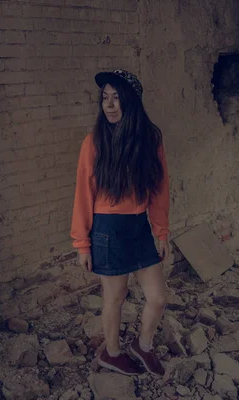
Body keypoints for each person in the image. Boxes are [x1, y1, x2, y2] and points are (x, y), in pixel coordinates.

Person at [70, 69, 170, 377]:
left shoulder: (150, 139)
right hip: (107, 230)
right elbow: (83, 193)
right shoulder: (94, 142)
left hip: (139, 228)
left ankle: (144, 345)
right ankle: (111, 353)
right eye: (105, 98)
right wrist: (82, 243)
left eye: (117, 98)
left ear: (131, 103)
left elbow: (159, 188)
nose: (110, 105)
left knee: (158, 297)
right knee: (114, 296)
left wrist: (161, 230)